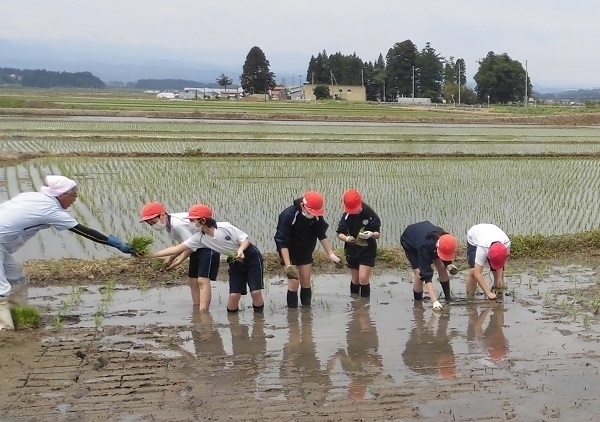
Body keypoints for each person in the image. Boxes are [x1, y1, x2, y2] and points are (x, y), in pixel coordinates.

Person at [0, 175, 134, 330]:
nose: (75, 200)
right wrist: (115, 243)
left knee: (16, 278)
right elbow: (83, 231)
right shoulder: (50, 210)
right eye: (74, 195)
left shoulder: (31, 197)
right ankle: (5, 330)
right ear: (62, 194)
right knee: (1, 289)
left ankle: (19, 316)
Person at [146, 204, 265, 314]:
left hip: (251, 257)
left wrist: (240, 250)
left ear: (202, 220)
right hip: (234, 261)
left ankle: (259, 322)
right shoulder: (199, 238)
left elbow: (245, 240)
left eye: (192, 220)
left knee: (255, 292)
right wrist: (149, 255)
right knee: (234, 295)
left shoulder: (224, 227)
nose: (190, 223)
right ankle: (234, 327)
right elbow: (176, 249)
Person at [140, 201, 220, 311]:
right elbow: (184, 244)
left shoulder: (177, 224)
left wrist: (177, 261)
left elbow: (191, 246)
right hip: (197, 246)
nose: (153, 226)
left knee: (202, 280)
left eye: (154, 222)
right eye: (150, 224)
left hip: (208, 245)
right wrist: (171, 258)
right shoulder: (169, 225)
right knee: (192, 280)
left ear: (163, 215)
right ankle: (197, 307)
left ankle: (203, 311)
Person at [274, 191, 341, 308]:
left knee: (305, 280)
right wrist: (288, 265)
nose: (312, 214)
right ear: (302, 206)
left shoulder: (316, 217)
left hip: (306, 249)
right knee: (294, 282)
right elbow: (281, 241)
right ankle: (293, 315)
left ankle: (306, 313)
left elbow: (321, 234)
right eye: (310, 211)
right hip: (289, 251)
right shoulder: (288, 215)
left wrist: (330, 254)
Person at [400, 221, 457, 311]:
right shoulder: (424, 246)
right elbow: (426, 274)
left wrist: (448, 264)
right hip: (410, 241)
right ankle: (418, 303)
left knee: (441, 266)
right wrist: (434, 301)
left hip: (428, 240)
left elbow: (446, 250)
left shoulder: (445, 238)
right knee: (419, 275)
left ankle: (448, 298)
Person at [336, 189, 381, 298]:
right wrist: (346, 239)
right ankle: (355, 304)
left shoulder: (370, 214)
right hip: (352, 250)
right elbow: (340, 233)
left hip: (367, 250)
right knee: (355, 279)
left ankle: (365, 306)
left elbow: (377, 234)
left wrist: (370, 234)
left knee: (363, 278)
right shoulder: (346, 215)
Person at [402, 300, 456, 378]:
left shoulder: (444, 352)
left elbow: (441, 334)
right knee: (421, 332)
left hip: (421, 356)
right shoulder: (422, 354)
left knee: (430, 334)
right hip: (414, 355)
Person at [466, 223, 510, 300]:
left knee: (499, 274)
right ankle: (470, 299)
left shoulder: (506, 243)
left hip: (492, 232)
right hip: (474, 237)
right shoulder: (482, 247)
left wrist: (499, 277)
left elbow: (501, 261)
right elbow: (477, 273)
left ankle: (498, 298)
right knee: (473, 272)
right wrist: (488, 292)